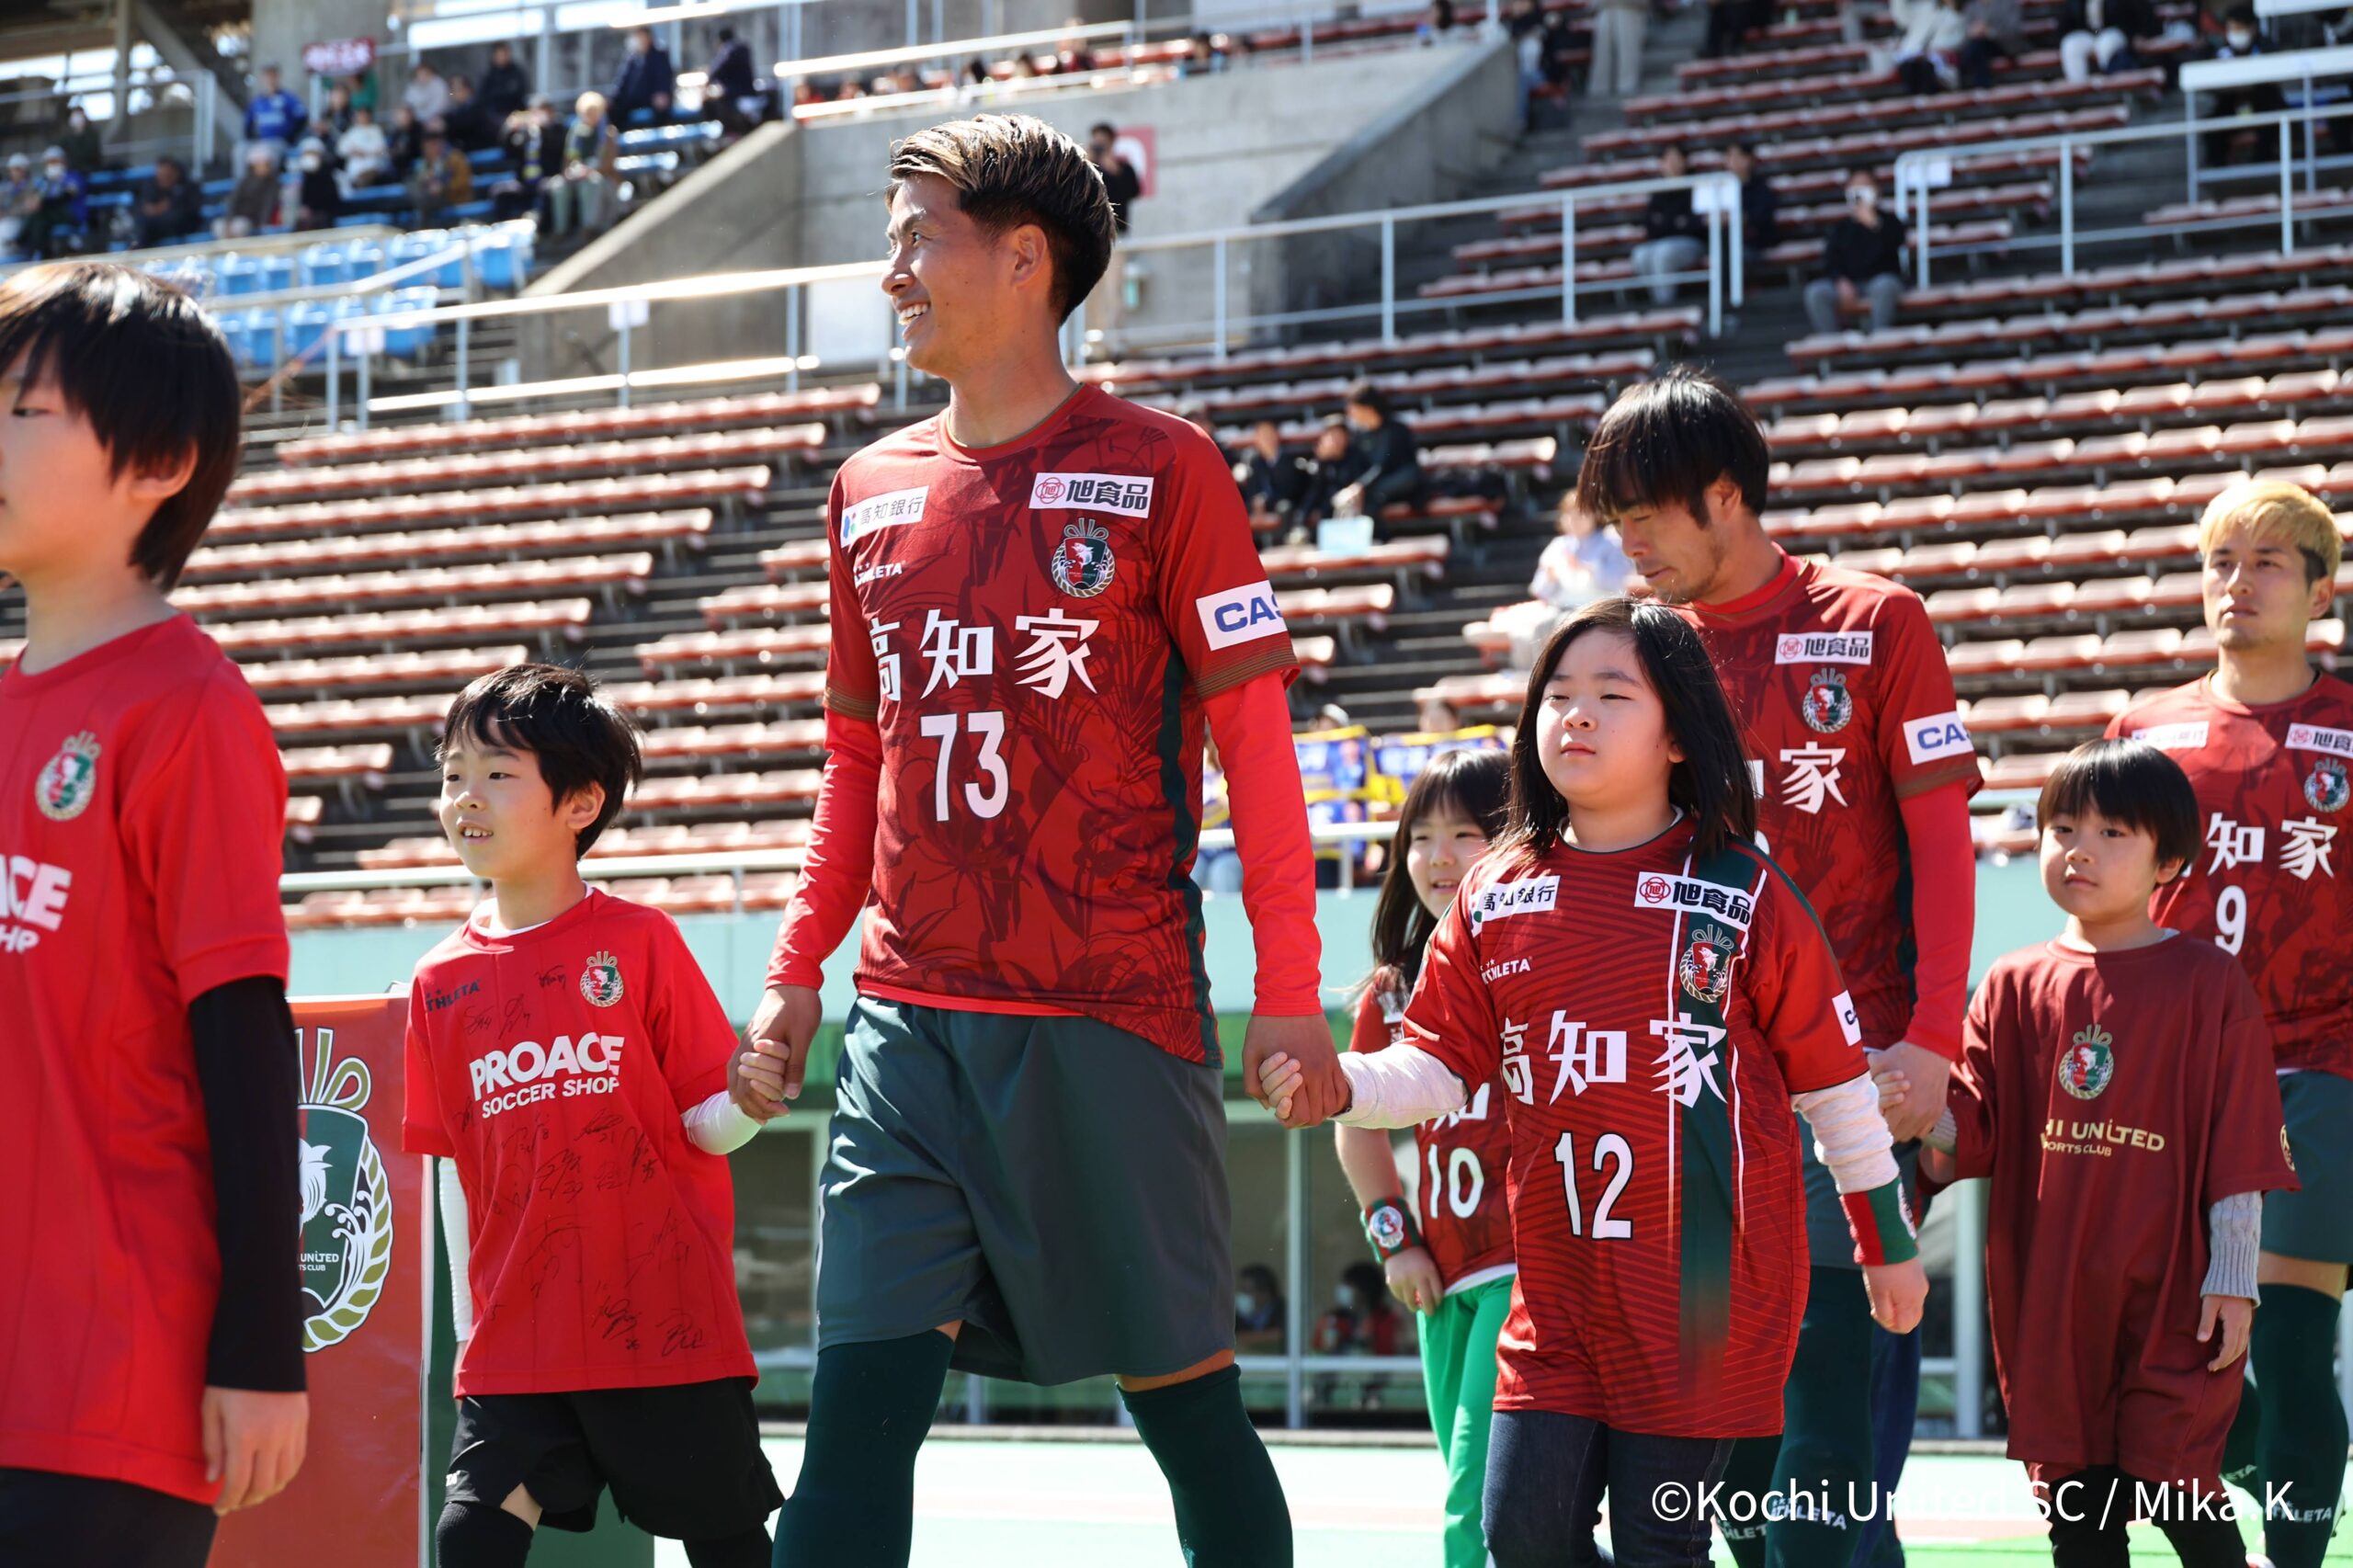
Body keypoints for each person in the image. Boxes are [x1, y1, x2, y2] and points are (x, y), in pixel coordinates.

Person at [735, 112, 1337, 1568]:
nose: (893, 273)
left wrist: (1293, 990)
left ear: (1024, 258)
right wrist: (797, 968)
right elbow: (857, 762)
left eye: (917, 239)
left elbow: (1258, 753)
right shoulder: (865, 490)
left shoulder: (1168, 469)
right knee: (853, 1422)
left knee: (1188, 1410)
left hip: (1110, 1015)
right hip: (905, 1028)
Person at [1262, 597, 1927, 1568]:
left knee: (1661, 1544)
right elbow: (1437, 1067)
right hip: (1557, 1300)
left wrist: (1885, 1245)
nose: (1575, 714)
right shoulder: (1496, 889)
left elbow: (1837, 1094)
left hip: (1702, 1303)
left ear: (1676, 735)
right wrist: (1340, 1084)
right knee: (1520, 1535)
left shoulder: (1743, 890)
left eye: (1612, 695)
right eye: (1557, 694)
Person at [1578, 369, 1981, 1568]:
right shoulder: (1636, 652)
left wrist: (1933, 1038)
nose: (1629, 540)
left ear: (1724, 494)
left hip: (1848, 1081)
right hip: (1689, 1084)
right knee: (1730, 1444)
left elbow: (1944, 846)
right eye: (1614, 519)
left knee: (1825, 1413)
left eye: (1646, 512)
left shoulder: (1876, 621)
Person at [0, 262, 309, 1564]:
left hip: (112, 1384)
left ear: (161, 464)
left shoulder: (188, 709)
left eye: (25, 410)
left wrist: (264, 1347)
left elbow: (243, 1042)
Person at [404, 665, 781, 1568]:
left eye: (498, 773)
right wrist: (468, 1332)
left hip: (666, 1327)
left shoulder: (641, 942)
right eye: (453, 774)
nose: (465, 796)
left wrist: (749, 1104)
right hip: (518, 1341)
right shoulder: (435, 981)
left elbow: (701, 1123)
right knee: (470, 1535)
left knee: (727, 1545)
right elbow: (454, 1172)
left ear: (580, 803)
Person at [1912, 739, 2295, 1568]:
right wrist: (1908, 1103)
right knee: (2079, 1519)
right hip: (2051, 1302)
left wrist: (2234, 1277)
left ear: (2170, 862)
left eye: (2112, 832)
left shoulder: (2209, 982)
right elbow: (1971, 1131)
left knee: (2182, 1490)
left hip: (2175, 1297)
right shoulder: (2011, 984)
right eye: (2062, 828)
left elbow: (2239, 1142)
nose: (2078, 849)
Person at [2106, 479, 2353, 1568]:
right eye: (2219, 561)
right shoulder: (2142, 730)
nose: (2236, 582)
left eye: (2266, 563)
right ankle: (2244, 1511)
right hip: (2167, 1078)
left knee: (2291, 1340)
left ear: (2318, 590)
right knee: (2161, 1345)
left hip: (2319, 1063)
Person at [1334, 748, 1516, 1568]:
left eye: (1466, 833)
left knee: (1475, 1504)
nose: (1439, 857)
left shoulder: (1544, 963)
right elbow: (1356, 1126)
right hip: (1439, 1278)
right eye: (1420, 836)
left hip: (1526, 1271)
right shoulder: (1392, 990)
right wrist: (1394, 1239)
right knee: (1487, 1492)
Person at [1805, 176, 1906, 335]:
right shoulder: (1841, 227)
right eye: (1855, 186)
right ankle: (1833, 343)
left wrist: (1875, 225)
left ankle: (1880, 337)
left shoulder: (1890, 221)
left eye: (1865, 185)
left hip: (1880, 281)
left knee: (1885, 285)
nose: (1859, 191)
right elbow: (1830, 260)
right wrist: (1840, 280)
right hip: (1850, 284)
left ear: (1876, 190)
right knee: (1816, 292)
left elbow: (1896, 243)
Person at [1335, 381, 1425, 528]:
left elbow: (1384, 465)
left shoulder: (1397, 430)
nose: (1350, 413)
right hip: (1373, 488)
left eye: (1354, 408)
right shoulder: (1359, 435)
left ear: (1368, 408)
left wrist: (1360, 487)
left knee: (1371, 496)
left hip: (1400, 485)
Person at [2200, 10, 2282, 165]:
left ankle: (2264, 163)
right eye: (2231, 29)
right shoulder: (2222, 51)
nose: (2234, 33)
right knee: (2211, 125)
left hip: (2263, 102)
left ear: (2252, 28)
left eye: (2238, 28)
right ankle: (2217, 168)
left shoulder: (2266, 46)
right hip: (2232, 104)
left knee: (2274, 117)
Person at [1086, 122, 1141, 351]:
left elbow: (1133, 191)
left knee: (1114, 290)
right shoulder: (1087, 169)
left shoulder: (1123, 168)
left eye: (1103, 141)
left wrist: (1112, 168)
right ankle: (1096, 343)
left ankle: (1117, 340)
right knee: (1092, 292)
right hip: (1091, 239)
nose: (1100, 145)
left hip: (1116, 238)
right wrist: (1088, 164)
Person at [1530, 493, 1635, 612]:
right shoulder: (1557, 546)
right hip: (1564, 609)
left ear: (1595, 515)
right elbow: (1538, 590)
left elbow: (1619, 582)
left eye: (1580, 514)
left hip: (1603, 610)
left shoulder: (1611, 542)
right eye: (1569, 515)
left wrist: (1585, 568)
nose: (1574, 520)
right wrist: (1550, 577)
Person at [1632, 143, 1708, 305]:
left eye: (1676, 158)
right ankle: (1657, 301)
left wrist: (1671, 224)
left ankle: (1665, 304)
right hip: (1663, 243)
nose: (1672, 163)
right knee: (1640, 255)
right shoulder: (1658, 191)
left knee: (1663, 253)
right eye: (1667, 159)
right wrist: (1677, 223)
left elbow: (1698, 224)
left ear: (1685, 161)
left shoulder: (1696, 186)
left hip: (1692, 243)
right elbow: (1650, 226)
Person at [546, 93, 618, 239]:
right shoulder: (575, 132)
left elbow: (608, 163)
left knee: (590, 184)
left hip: (601, 175)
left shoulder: (607, 133)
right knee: (559, 186)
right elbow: (568, 159)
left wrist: (591, 170)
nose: (589, 117)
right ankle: (560, 231)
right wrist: (570, 171)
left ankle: (588, 227)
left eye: (593, 113)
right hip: (577, 174)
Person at [1312, 1263, 1407, 1356]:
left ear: (1364, 1291)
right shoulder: (1332, 1319)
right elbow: (1316, 1352)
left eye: (1349, 1285)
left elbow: (1389, 1353)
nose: (1345, 1290)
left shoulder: (1386, 1319)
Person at [1235, 418, 1310, 531]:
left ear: (1276, 435)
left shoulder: (1290, 461)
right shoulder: (1254, 462)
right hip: (1259, 507)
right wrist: (1256, 500)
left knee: (1285, 507)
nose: (1266, 439)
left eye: (1268, 434)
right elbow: (1252, 489)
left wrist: (1266, 501)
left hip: (1280, 505)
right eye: (1261, 435)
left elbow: (1290, 491)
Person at [2060, 0, 2159, 81]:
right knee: (2071, 45)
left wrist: (2142, 34)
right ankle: (2078, 87)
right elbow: (2066, 21)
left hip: (2117, 32)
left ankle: (2113, 86)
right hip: (2090, 34)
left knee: (2106, 44)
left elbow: (2144, 12)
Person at [22, 148, 86, 261]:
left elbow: (69, 194)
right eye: (49, 162)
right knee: (40, 217)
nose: (52, 165)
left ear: (63, 161)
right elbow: (36, 198)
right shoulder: (45, 181)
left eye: (55, 161)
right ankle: (40, 251)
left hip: (70, 214)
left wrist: (60, 180)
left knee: (41, 213)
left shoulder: (73, 176)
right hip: (49, 217)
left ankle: (28, 245)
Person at [1890, 0, 1967, 91]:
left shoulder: (1959, 17)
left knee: (1927, 67)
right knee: (1908, 66)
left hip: (1940, 59)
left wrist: (1933, 51)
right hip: (1915, 54)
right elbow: (1902, 17)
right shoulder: (1927, 9)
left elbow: (1958, 42)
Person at [406, 121, 472, 228]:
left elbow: (464, 183)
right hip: (434, 200)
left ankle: (421, 228)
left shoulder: (456, 158)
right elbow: (420, 181)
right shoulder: (426, 163)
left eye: (433, 145)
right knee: (413, 188)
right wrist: (425, 180)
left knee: (423, 203)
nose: (430, 149)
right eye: (427, 147)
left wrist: (443, 188)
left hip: (454, 198)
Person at [132, 156, 206, 249]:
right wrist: (158, 209)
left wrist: (167, 208)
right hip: (155, 228)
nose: (163, 179)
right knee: (141, 226)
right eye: (160, 175)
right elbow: (145, 208)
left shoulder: (189, 187)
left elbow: (190, 211)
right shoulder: (151, 187)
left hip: (183, 226)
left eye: (167, 175)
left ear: (176, 173)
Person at [1725, 142, 1780, 257]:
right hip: (1724, 242)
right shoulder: (1719, 186)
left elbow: (1762, 215)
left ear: (1750, 159)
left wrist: (1742, 218)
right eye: (1730, 156)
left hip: (1753, 241)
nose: (1734, 161)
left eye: (1739, 156)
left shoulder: (1760, 187)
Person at [242, 62, 306, 162]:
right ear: (263, 78)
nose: (270, 79)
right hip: (261, 142)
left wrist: (290, 138)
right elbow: (247, 124)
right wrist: (253, 139)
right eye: (267, 76)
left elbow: (302, 118)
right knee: (240, 150)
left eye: (273, 75)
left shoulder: (288, 98)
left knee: (268, 153)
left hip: (279, 142)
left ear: (278, 77)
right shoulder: (257, 101)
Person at [613, 26, 676, 125]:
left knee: (661, 109)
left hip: (652, 98)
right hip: (633, 100)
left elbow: (664, 77)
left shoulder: (660, 55)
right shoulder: (632, 58)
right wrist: (613, 98)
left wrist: (662, 92)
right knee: (615, 109)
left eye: (641, 36)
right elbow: (622, 82)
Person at [706, 27, 761, 137]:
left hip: (735, 96)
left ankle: (728, 134)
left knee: (712, 102)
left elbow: (714, 72)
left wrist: (708, 81)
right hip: (749, 92)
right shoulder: (743, 48)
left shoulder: (728, 50)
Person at [215, 144, 279, 239]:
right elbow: (233, 201)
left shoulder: (272, 184)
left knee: (239, 227)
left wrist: (263, 222)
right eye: (258, 165)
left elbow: (268, 205)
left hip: (252, 220)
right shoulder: (244, 182)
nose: (261, 168)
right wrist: (229, 221)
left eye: (264, 164)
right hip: (236, 218)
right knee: (219, 226)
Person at [1960, 0, 2027, 88]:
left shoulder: (2008, 3)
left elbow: (2013, 30)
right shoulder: (1971, 7)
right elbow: (1965, 33)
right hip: (1979, 47)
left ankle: (1979, 86)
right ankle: (1980, 85)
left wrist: (1989, 32)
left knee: (1976, 47)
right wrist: (1974, 31)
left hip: (2004, 45)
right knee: (1976, 46)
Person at [1590, 0, 1649, 97]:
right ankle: (1600, 89)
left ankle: (1627, 88)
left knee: (1627, 51)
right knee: (1602, 55)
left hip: (1629, 10)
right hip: (1605, 9)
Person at [336, 104, 392, 189]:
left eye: (366, 115)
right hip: (357, 163)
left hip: (373, 161)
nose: (364, 117)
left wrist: (374, 152)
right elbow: (341, 149)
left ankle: (360, 185)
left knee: (373, 169)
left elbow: (383, 150)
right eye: (361, 115)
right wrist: (354, 152)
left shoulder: (376, 130)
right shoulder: (352, 132)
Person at [1235, 1265, 1288, 1353]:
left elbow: (1279, 1335)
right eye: (1242, 1290)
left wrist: (1244, 1338)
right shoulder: (1238, 1314)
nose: (1243, 1296)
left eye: (1248, 1291)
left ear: (1265, 1292)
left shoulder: (1283, 1310)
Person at [291, 141, 342, 231]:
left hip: (326, 213)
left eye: (312, 153)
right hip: (310, 214)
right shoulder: (305, 176)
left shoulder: (329, 173)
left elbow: (332, 199)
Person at [478, 41, 532, 124]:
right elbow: (483, 98)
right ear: (494, 56)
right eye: (500, 54)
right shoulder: (488, 75)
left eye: (504, 54)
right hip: (495, 116)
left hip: (516, 113)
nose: (502, 57)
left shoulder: (517, 72)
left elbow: (522, 92)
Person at [443, 74, 493, 152]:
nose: (454, 93)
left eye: (458, 89)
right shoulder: (452, 110)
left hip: (480, 149)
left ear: (468, 90)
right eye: (451, 90)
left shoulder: (478, 107)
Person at [0, 153, 35, 260]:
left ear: (25, 170)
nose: (15, 172)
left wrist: (8, 213)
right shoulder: (5, 188)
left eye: (18, 169)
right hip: (5, 220)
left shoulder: (32, 186)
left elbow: (29, 208)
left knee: (3, 231)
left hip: (21, 222)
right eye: (12, 169)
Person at [56, 101, 101, 176]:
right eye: (75, 116)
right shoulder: (65, 138)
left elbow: (92, 155)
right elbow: (64, 156)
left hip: (91, 169)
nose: (78, 119)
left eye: (80, 116)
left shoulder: (92, 135)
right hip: (72, 171)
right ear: (70, 119)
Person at [404, 62, 452, 126]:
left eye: (425, 73)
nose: (422, 76)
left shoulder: (439, 84)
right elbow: (409, 102)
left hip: (438, 118)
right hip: (417, 120)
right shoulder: (413, 86)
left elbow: (440, 106)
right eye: (419, 74)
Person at [386, 102, 425, 182]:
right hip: (398, 165)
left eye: (406, 115)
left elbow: (421, 149)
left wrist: (406, 149)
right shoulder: (396, 132)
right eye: (401, 115)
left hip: (415, 162)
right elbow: (391, 149)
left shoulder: (419, 129)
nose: (404, 118)